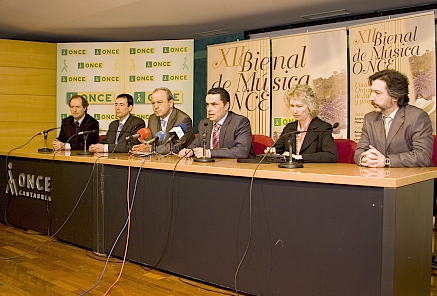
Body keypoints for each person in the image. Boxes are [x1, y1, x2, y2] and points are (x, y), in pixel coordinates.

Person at [354, 69, 433, 167]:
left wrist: (386, 161)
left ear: (395, 96)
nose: (371, 98)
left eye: (377, 93)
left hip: (412, 179)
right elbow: (359, 152)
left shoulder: (417, 117)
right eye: (371, 92)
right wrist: (364, 159)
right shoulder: (369, 118)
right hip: (379, 179)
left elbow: (423, 156)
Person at [178, 87, 255, 159]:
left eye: (214, 104)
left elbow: (241, 151)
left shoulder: (240, 122)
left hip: (236, 169)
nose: (209, 109)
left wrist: (209, 153)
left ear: (226, 106)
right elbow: (196, 144)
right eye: (207, 105)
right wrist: (190, 151)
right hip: (209, 168)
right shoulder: (205, 123)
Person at [273, 84, 338, 163]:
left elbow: (331, 156)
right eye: (292, 106)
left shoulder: (323, 128)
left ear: (310, 106)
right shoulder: (289, 128)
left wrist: (300, 157)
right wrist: (272, 152)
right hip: (290, 172)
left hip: (313, 173)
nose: (294, 111)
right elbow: (277, 149)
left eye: (299, 106)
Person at [131, 87, 194, 154]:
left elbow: (176, 147)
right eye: (153, 103)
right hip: (157, 159)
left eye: (159, 102)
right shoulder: (152, 119)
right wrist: (145, 145)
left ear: (170, 103)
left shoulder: (183, 120)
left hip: (178, 160)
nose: (155, 107)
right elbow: (150, 141)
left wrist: (151, 149)